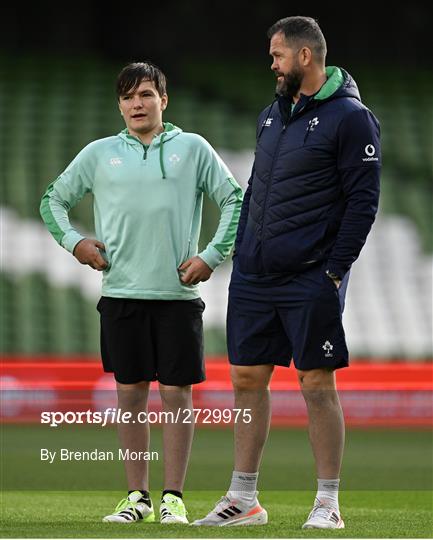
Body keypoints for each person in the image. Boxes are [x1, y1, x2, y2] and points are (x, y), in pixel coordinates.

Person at [192, 16, 381, 529]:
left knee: (316, 381)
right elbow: (256, 189)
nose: (271, 64)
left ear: (304, 57)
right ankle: (243, 499)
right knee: (246, 377)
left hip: (311, 275)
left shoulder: (352, 119)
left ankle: (327, 503)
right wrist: (241, 252)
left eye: (277, 55)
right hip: (256, 272)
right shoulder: (271, 116)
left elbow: (363, 203)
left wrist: (336, 271)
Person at [40, 61, 243, 525]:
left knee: (176, 395)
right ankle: (137, 498)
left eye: (147, 94)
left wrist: (211, 255)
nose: (138, 103)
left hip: (178, 296)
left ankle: (173, 498)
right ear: (119, 104)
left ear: (163, 101)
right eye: (129, 96)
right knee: (129, 395)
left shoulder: (193, 148)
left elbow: (234, 198)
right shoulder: (98, 153)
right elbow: (52, 199)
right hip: (121, 293)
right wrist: (76, 242)